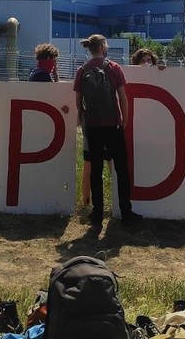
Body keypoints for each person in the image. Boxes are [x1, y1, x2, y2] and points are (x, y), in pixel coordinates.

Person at [74, 34, 141, 226]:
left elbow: (79, 102)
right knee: (121, 169)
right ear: (103, 47)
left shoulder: (82, 70)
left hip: (93, 127)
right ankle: (125, 211)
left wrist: (84, 115)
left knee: (95, 170)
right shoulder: (113, 68)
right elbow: (123, 97)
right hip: (112, 125)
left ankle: (97, 213)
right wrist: (125, 119)